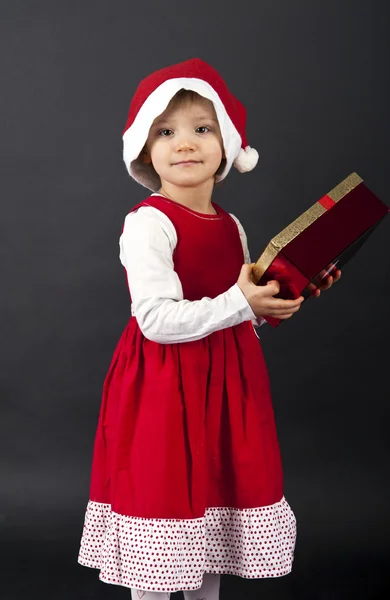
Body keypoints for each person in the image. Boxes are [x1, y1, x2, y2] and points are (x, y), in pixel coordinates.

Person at [77, 58, 341, 599]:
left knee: (211, 525)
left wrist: (274, 301)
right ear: (146, 153)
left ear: (226, 146)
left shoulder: (231, 225)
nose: (186, 143)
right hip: (163, 388)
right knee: (161, 511)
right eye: (166, 132)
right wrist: (239, 301)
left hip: (224, 388)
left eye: (203, 129)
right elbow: (155, 320)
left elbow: (234, 306)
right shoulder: (148, 222)